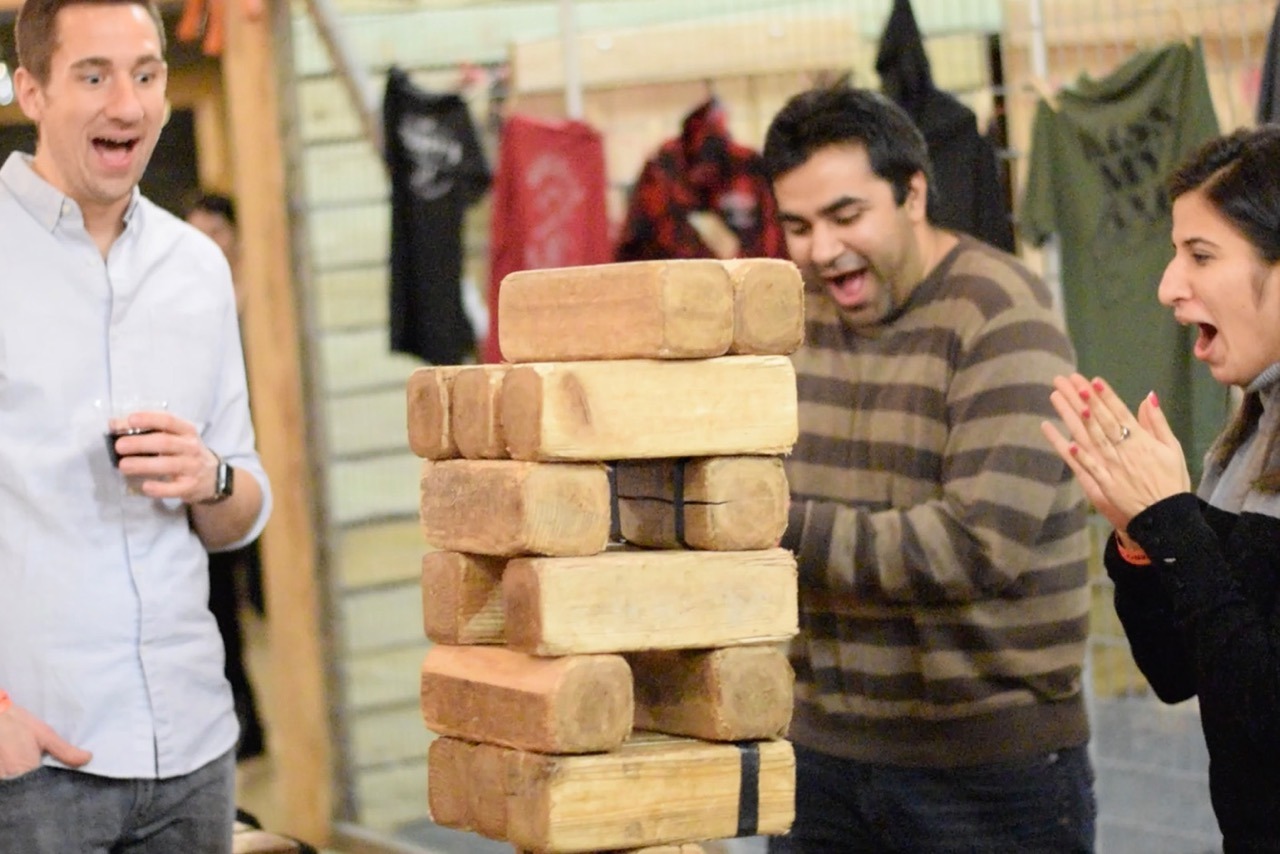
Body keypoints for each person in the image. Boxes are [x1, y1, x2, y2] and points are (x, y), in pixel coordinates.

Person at [762, 85, 1095, 852]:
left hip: (987, 776)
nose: (820, 250)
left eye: (848, 217)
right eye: (800, 226)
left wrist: (756, 521)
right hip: (819, 761)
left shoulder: (1003, 316)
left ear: (914, 192)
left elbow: (975, 546)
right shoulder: (792, 319)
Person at [0, 0, 271, 850]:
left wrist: (210, 478)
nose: (130, 103)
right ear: (31, 91)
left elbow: (245, 504)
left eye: (146, 73)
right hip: (34, 761)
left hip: (193, 749)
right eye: (94, 75)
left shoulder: (195, 267)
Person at [1041, 125, 1280, 851]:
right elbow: (1182, 673)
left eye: (1200, 256)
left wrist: (1174, 524)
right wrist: (1139, 541)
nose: (1167, 286)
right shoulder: (1250, 432)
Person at [185, 190, 267, 762]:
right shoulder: (187, 300)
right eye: (198, 230)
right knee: (222, 610)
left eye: (216, 229)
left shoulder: (256, 299)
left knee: (249, 602)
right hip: (205, 477)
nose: (208, 241)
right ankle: (241, 725)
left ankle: (249, 726)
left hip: (250, 465)